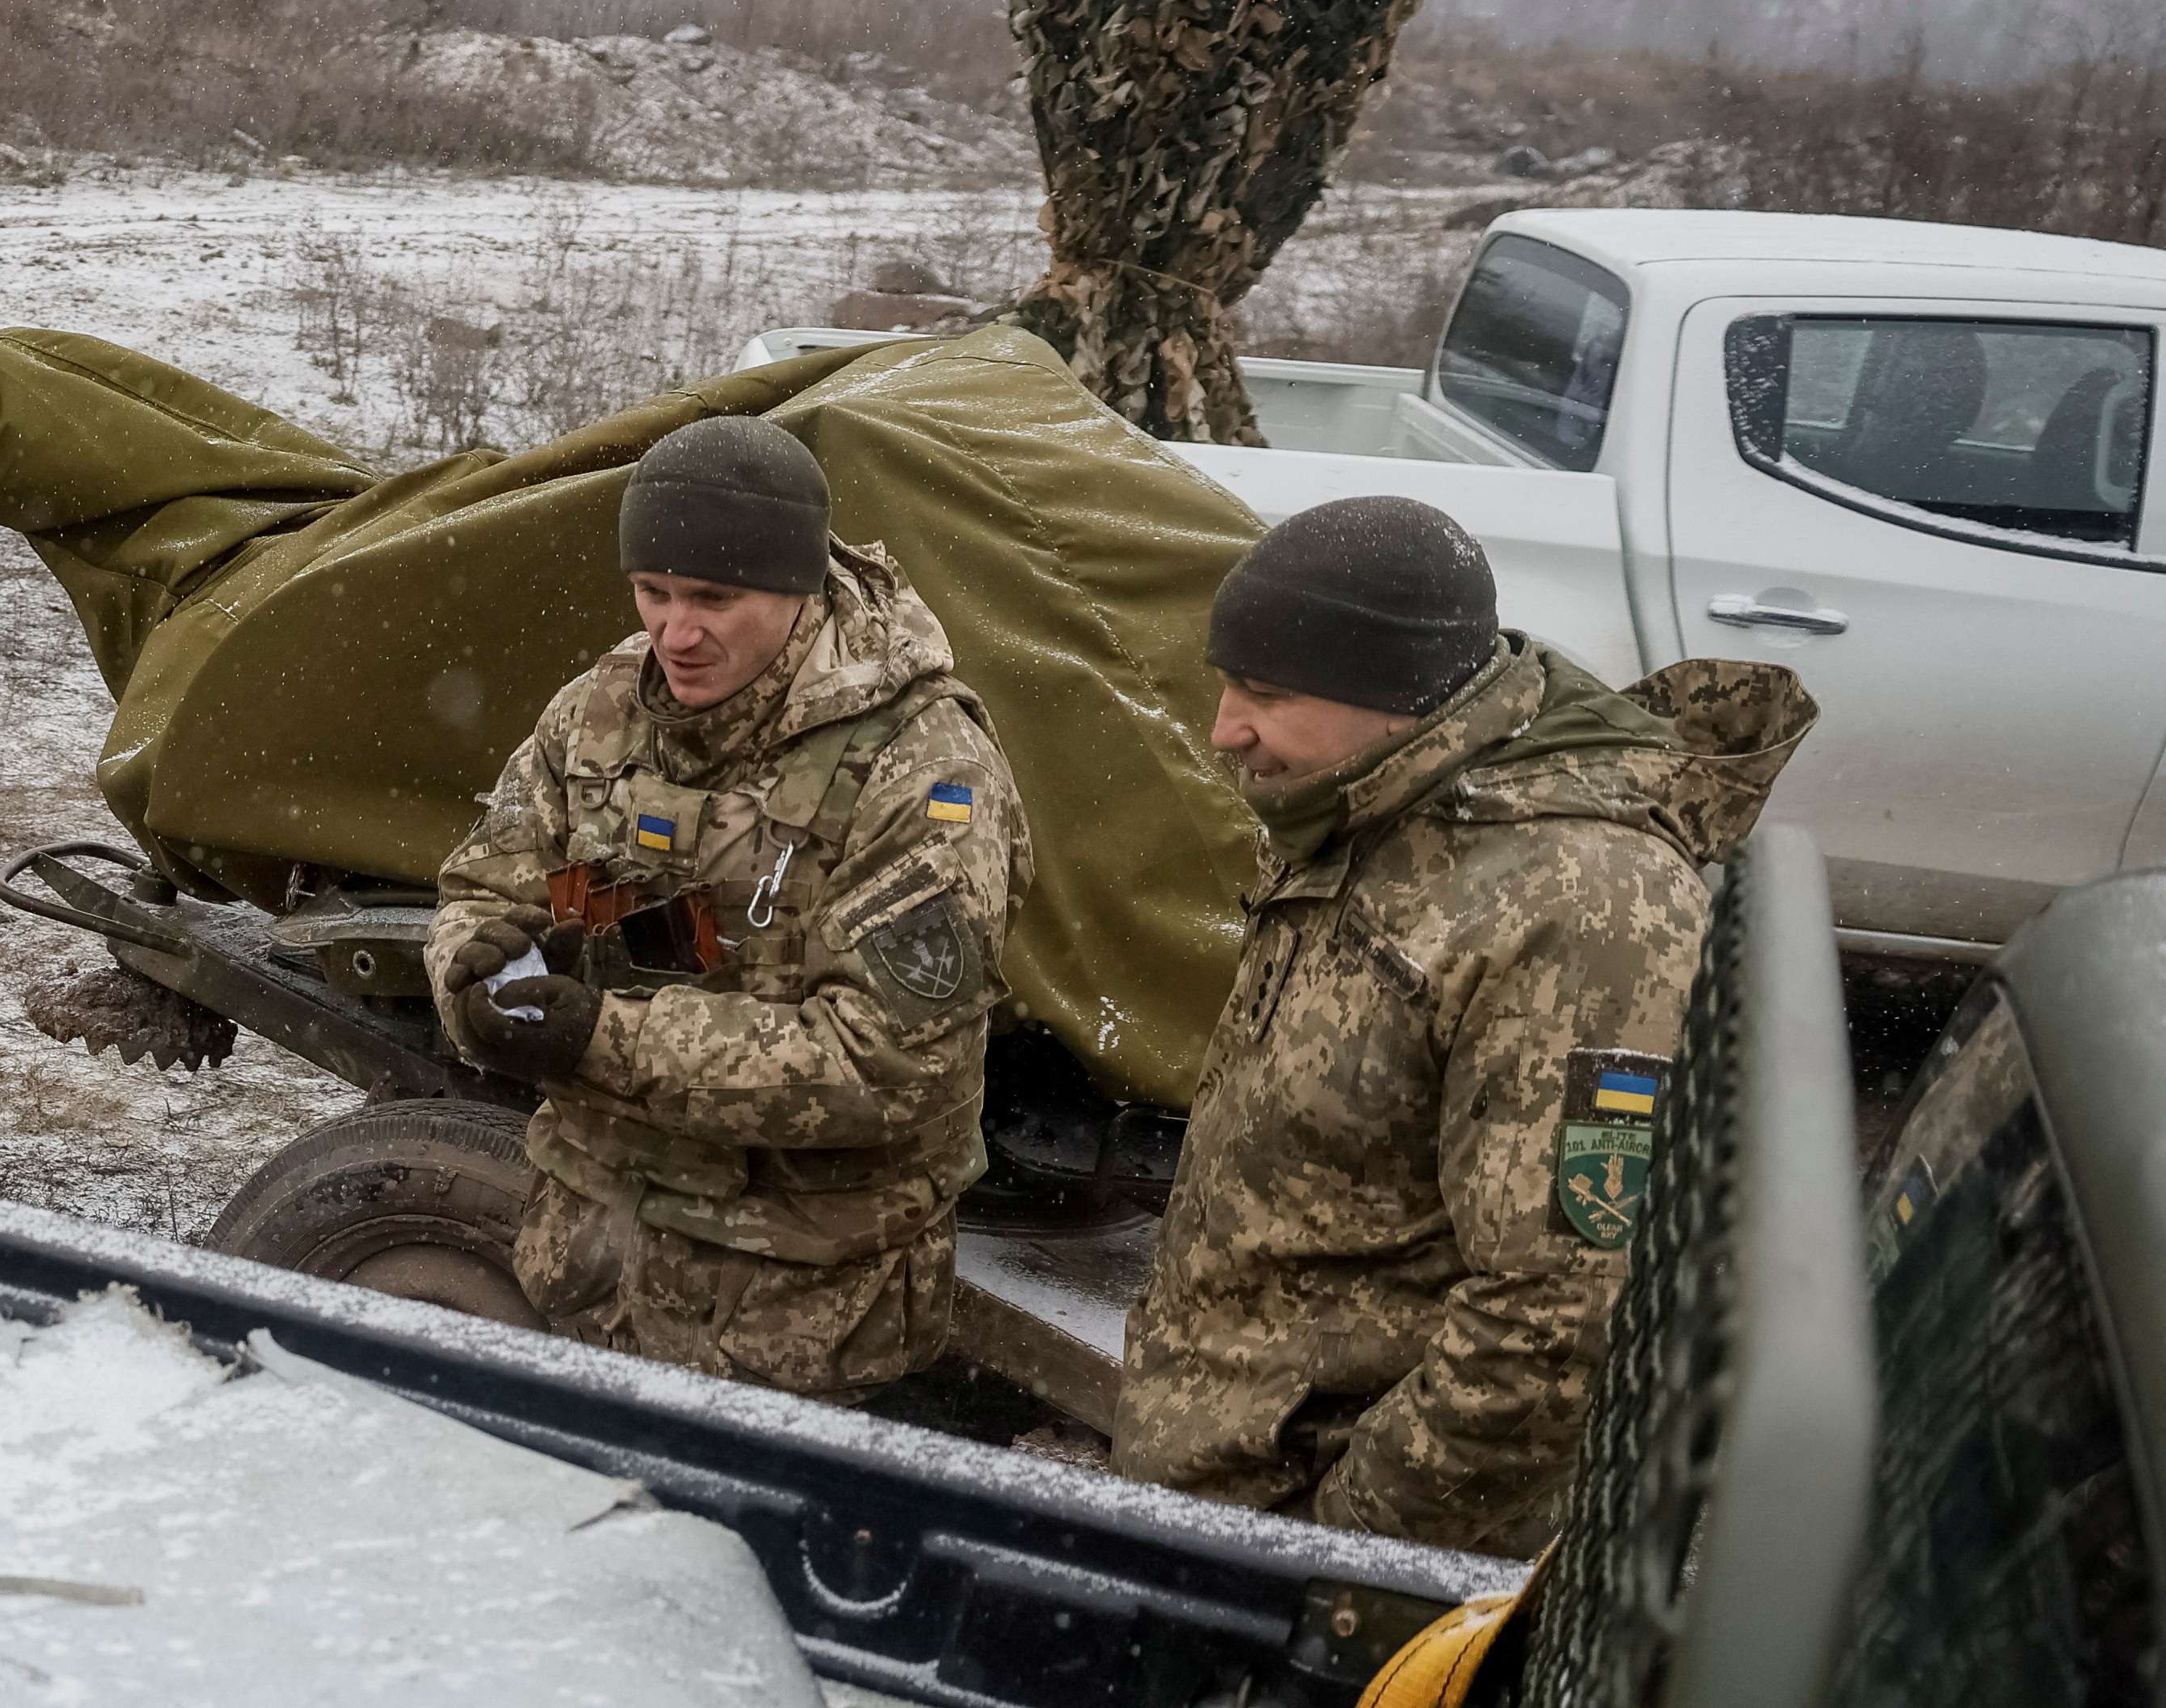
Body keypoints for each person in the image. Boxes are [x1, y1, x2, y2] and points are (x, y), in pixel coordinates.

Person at [1113, 495, 1810, 1556]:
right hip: (1222, 1477)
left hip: (1323, 1542)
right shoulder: (1365, 803)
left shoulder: (1585, 913)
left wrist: (1346, 1544)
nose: (1224, 729)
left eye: (1263, 692)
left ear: (1394, 694)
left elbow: (1560, 1326)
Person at [425, 414, 1031, 1402]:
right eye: (651, 593)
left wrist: (594, 1042)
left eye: (713, 598)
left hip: (792, 1318)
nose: (673, 631)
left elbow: (886, 1064)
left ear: (797, 590)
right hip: (584, 1263)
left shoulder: (922, 767)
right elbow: (481, 886)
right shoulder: (597, 710)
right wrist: (477, 988)